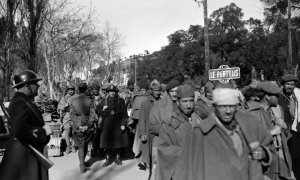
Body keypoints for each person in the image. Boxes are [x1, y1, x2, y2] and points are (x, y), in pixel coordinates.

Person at [173, 87, 273, 180]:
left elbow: (268, 147)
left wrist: (264, 153)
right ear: (215, 107)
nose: (228, 111)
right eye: (223, 107)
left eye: (231, 106)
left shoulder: (247, 127)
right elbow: (186, 167)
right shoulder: (201, 132)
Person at [0, 70, 52, 180]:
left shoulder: (24, 100)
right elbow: (19, 129)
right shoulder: (19, 102)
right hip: (24, 157)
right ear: (27, 85)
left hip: (28, 154)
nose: (38, 86)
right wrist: (43, 131)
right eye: (35, 83)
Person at [154, 84, 203, 180]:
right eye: (184, 101)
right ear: (177, 102)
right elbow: (164, 150)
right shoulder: (169, 123)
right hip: (180, 173)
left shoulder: (200, 120)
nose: (188, 105)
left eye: (191, 101)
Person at [248, 82, 293, 180]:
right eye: (276, 95)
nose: (278, 97)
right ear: (267, 97)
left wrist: (285, 127)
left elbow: (286, 137)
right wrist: (272, 133)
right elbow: (249, 142)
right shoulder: (253, 114)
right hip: (264, 165)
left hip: (280, 161)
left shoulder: (278, 110)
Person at [96, 85, 130, 167]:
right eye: (111, 91)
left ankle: (117, 157)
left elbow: (124, 114)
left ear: (116, 92)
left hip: (117, 122)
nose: (112, 93)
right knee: (106, 142)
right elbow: (97, 110)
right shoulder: (104, 100)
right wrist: (102, 109)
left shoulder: (120, 100)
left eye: (114, 91)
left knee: (117, 141)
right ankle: (107, 158)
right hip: (107, 123)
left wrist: (123, 124)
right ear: (108, 92)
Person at [70, 82, 97, 173]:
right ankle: (82, 165)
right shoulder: (90, 100)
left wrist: (78, 125)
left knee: (81, 145)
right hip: (87, 124)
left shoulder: (73, 101)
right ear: (86, 89)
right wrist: (87, 126)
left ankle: (82, 164)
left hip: (77, 126)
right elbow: (93, 115)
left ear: (78, 90)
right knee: (84, 144)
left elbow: (72, 116)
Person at [278, 74, 300, 180]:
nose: (290, 86)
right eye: (287, 84)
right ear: (283, 85)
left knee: (296, 158)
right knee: (285, 157)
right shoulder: (278, 97)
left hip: (295, 132)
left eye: (292, 84)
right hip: (283, 132)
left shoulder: (297, 97)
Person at [138, 80, 161, 170]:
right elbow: (142, 120)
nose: (157, 92)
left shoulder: (163, 102)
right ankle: (149, 165)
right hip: (148, 132)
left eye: (158, 90)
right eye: (154, 90)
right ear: (150, 90)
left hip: (160, 131)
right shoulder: (145, 104)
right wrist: (142, 133)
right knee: (148, 150)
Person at [57, 84, 76, 154]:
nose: (71, 91)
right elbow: (59, 106)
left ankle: (73, 146)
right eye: (70, 90)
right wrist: (64, 106)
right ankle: (68, 146)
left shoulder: (76, 97)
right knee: (67, 131)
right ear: (68, 91)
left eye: (72, 90)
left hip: (74, 115)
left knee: (74, 132)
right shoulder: (64, 98)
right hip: (67, 116)